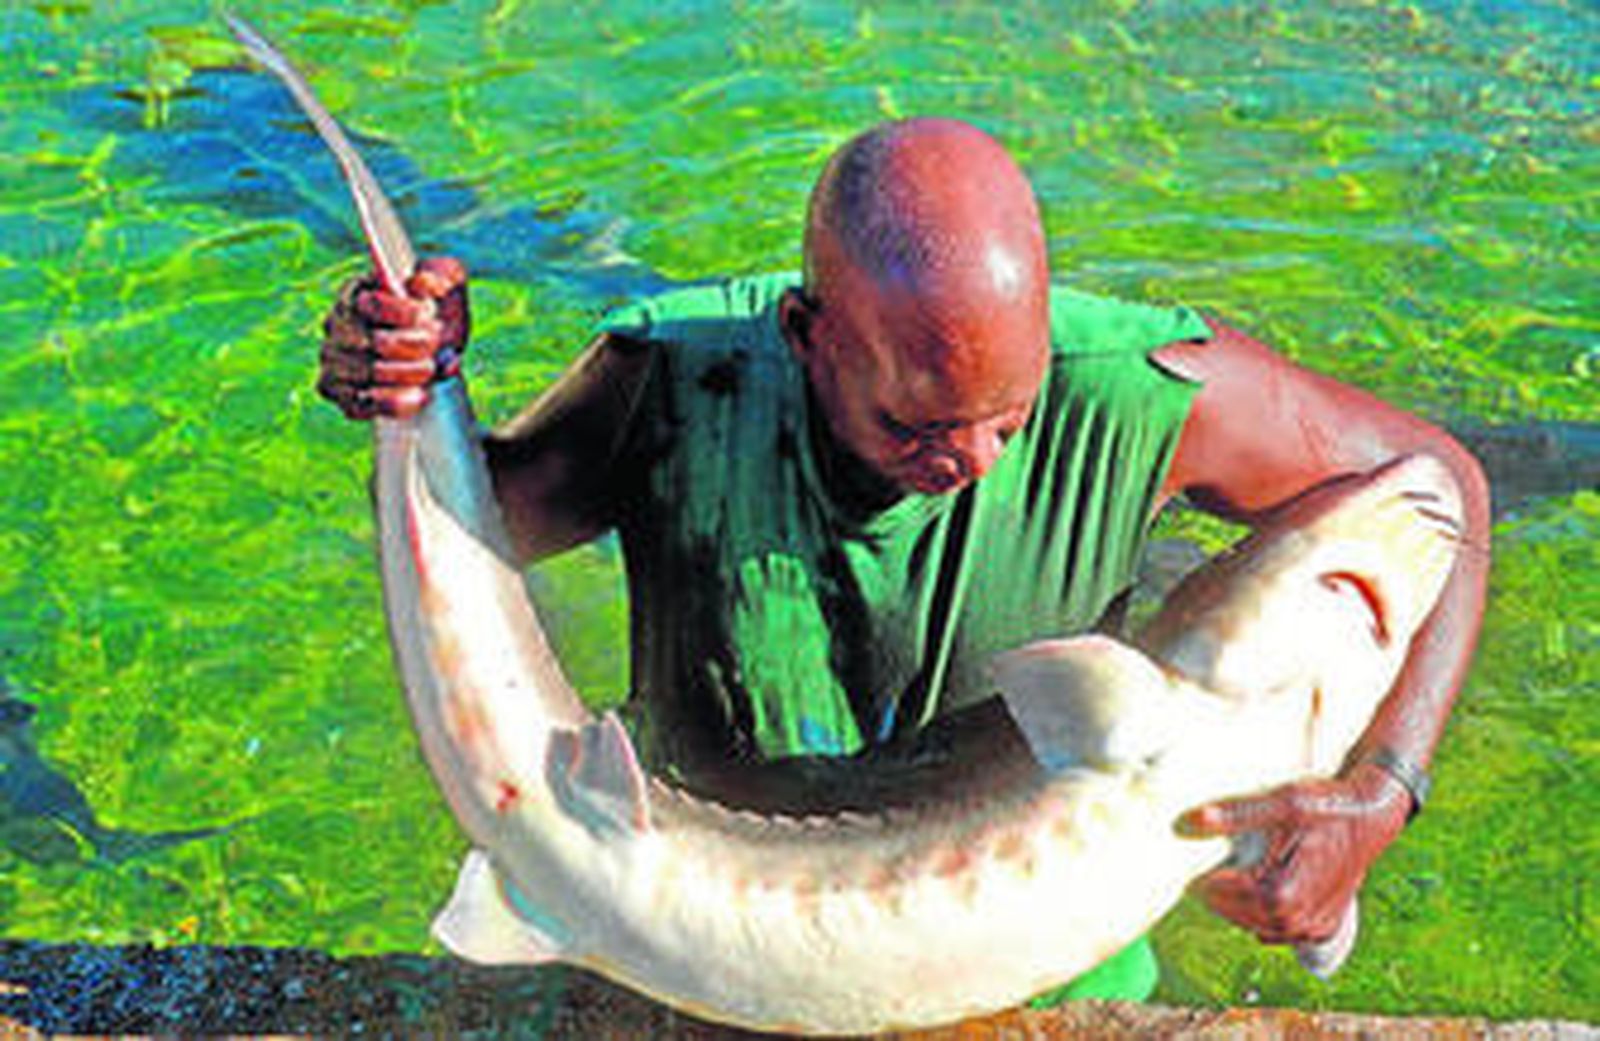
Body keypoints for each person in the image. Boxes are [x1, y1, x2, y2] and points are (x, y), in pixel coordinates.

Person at [318, 118, 1489, 1003]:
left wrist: (1382, 792)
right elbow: (477, 534)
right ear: (806, 335)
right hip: (680, 940)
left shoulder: (1138, 388)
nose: (972, 458)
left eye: (1009, 418)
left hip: (1058, 982)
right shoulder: (672, 374)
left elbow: (1442, 486)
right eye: (917, 426)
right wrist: (413, 389)